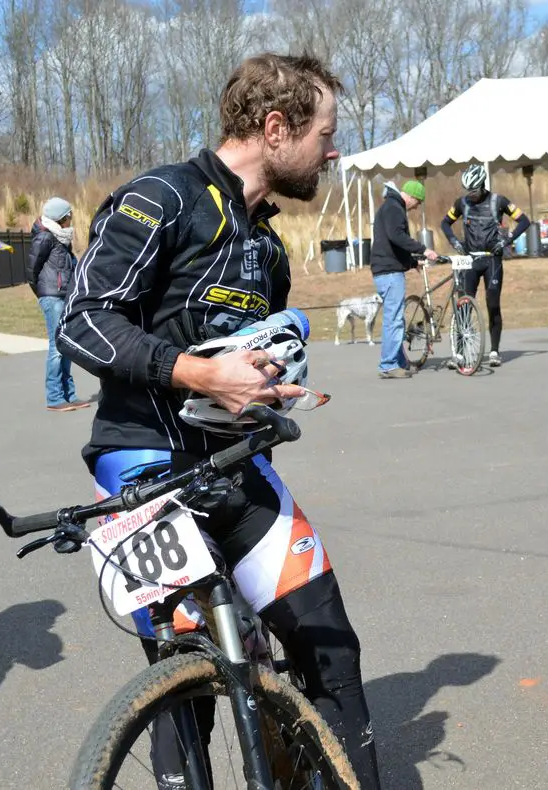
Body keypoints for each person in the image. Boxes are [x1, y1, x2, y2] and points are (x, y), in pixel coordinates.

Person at [57, 53, 382, 789]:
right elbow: (82, 322)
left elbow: (242, 358)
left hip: (234, 467)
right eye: (324, 134)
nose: (333, 151)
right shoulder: (163, 198)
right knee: (188, 687)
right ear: (276, 128)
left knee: (332, 650)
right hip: (141, 469)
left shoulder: (266, 246)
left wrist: (268, 382)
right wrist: (197, 373)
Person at [440, 163, 530, 368]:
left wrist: (507, 241)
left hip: (492, 260)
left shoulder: (499, 201)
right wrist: (454, 242)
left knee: (493, 304)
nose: (470, 194)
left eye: (474, 190)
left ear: (482, 185)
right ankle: (461, 354)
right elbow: (445, 223)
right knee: (463, 306)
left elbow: (524, 221)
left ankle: (495, 351)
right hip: (470, 260)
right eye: (467, 191)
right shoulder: (461, 203)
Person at [26, 197, 89, 412]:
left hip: (64, 295)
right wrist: (44, 294)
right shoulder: (44, 238)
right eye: (69, 216)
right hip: (52, 296)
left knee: (66, 346)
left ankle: (69, 395)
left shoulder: (61, 238)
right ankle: (54, 398)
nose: (71, 219)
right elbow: (31, 271)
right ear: (61, 218)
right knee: (56, 348)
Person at [369, 180, 438, 379]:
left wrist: (411, 263)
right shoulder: (394, 208)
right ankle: (388, 364)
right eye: (417, 203)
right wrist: (423, 249)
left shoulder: (391, 206)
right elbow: (396, 236)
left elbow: (393, 244)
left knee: (396, 318)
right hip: (389, 272)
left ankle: (399, 361)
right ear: (411, 197)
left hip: (387, 269)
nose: (416, 207)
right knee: (394, 319)